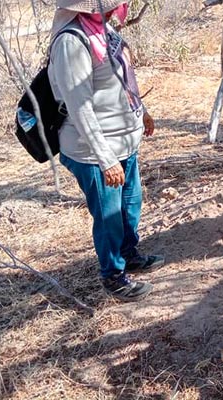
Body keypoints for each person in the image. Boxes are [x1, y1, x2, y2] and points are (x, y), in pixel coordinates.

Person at [48, 0, 163, 301]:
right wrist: (105, 158)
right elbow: (79, 106)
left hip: (123, 141)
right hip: (94, 151)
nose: (117, 9)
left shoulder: (104, 30)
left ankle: (128, 254)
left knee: (130, 204)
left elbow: (122, 80)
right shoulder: (71, 42)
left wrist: (143, 111)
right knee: (109, 215)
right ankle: (113, 275)